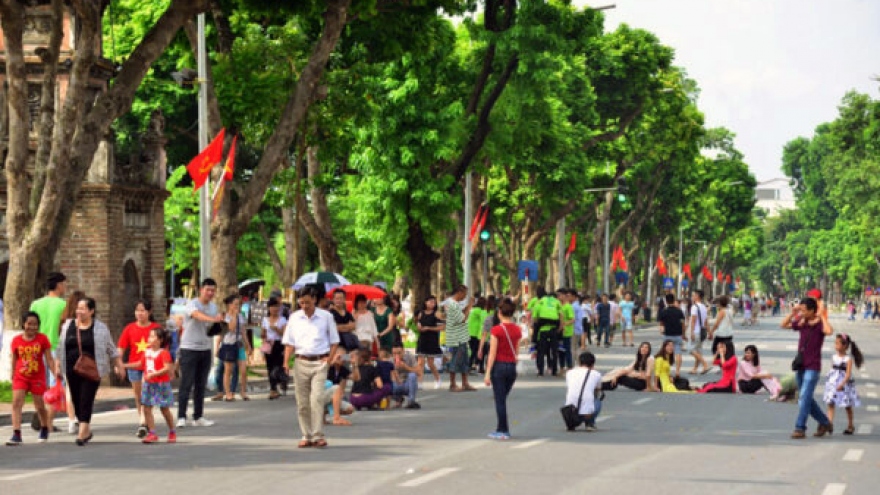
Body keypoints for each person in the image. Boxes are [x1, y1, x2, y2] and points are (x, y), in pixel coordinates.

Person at [58, 297, 125, 445]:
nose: (79, 311)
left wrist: (119, 365)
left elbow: (111, 349)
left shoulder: (100, 328)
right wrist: (57, 364)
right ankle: (86, 430)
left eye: (83, 309)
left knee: (86, 399)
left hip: (92, 369)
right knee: (76, 399)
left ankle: (82, 432)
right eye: (78, 308)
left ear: (91, 311)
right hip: (71, 369)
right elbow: (60, 347)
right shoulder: (67, 325)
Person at [282, 284, 339, 448]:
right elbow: (289, 343)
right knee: (302, 402)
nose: (305, 306)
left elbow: (334, 340)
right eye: (301, 303)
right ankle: (306, 434)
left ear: (314, 300)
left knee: (317, 398)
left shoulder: (326, 317)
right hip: (301, 362)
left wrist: (329, 358)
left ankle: (318, 435)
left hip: (320, 362)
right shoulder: (294, 318)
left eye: (307, 302)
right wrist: (286, 362)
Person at [781, 297, 834, 439]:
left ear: (812, 310)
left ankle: (800, 428)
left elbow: (829, 331)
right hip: (801, 365)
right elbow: (783, 324)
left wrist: (822, 316)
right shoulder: (802, 323)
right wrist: (793, 313)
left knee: (804, 396)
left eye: (804, 310)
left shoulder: (819, 325)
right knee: (806, 398)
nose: (802, 312)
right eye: (801, 310)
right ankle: (824, 422)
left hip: (813, 366)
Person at [177, 278, 224, 428]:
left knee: (200, 384)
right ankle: (181, 416)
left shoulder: (213, 307)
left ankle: (198, 416)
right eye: (207, 290)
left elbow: (212, 329)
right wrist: (213, 319)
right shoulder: (192, 304)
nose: (210, 293)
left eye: (213, 290)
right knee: (186, 383)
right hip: (189, 348)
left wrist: (221, 323)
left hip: (205, 348)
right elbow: (197, 316)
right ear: (201, 290)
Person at [7, 312, 56, 445]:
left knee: (39, 405)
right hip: (20, 376)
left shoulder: (42, 339)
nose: (32, 327)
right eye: (29, 324)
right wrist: (12, 373)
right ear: (23, 324)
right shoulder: (16, 340)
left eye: (35, 324)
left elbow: (49, 359)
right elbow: (14, 358)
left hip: (37, 377)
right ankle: (16, 433)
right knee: (16, 403)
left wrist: (55, 374)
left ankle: (44, 427)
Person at [29, 272, 68, 432]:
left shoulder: (36, 304)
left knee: (40, 385)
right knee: (56, 386)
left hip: (36, 349)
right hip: (55, 349)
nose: (65, 287)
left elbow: (30, 326)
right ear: (58, 285)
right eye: (64, 284)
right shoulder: (63, 305)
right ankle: (48, 423)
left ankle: (41, 418)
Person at [117, 299, 162, 438]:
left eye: (143, 310)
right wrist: (118, 364)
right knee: (138, 396)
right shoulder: (129, 328)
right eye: (137, 310)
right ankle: (144, 420)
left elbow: (163, 348)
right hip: (133, 366)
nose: (140, 313)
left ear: (149, 312)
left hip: (151, 367)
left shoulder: (156, 328)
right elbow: (121, 348)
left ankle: (143, 423)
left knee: (145, 393)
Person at [484, 299, 523, 440]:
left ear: (499, 312)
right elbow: (516, 352)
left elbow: (492, 353)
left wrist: (487, 373)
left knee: (499, 400)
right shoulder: (517, 330)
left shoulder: (496, 330)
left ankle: (503, 430)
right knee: (502, 398)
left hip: (499, 367)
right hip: (512, 367)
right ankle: (501, 428)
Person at [129, 328, 176, 444]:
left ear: (160, 340)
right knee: (146, 408)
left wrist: (154, 374)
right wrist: (124, 365)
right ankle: (152, 433)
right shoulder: (147, 352)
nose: (150, 339)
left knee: (164, 409)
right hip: (149, 384)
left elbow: (167, 368)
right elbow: (140, 364)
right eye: (149, 336)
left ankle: (172, 431)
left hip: (161, 384)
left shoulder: (164, 353)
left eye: (153, 336)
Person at [823, 334, 864, 435]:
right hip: (833, 383)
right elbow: (832, 369)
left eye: (838, 343)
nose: (835, 345)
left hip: (844, 384)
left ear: (845, 346)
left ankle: (850, 425)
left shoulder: (848, 359)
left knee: (847, 405)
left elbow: (848, 374)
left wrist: (842, 384)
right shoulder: (833, 357)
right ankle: (830, 424)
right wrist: (829, 381)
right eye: (835, 343)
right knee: (831, 403)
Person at [219, 294, 252, 401]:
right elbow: (232, 328)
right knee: (228, 370)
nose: (238, 307)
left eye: (239, 305)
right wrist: (233, 316)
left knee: (243, 370)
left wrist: (248, 345)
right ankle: (228, 393)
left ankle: (243, 391)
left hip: (238, 344)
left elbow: (243, 331)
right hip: (228, 345)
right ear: (230, 305)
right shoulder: (226, 317)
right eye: (236, 304)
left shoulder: (241, 316)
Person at [443, 285, 476, 391]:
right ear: (459, 292)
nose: (465, 297)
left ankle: (465, 383)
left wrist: (468, 306)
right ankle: (452, 384)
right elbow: (462, 318)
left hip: (462, 337)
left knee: (464, 361)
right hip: (456, 338)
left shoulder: (455, 304)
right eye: (464, 294)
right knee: (456, 361)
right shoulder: (452, 304)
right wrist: (470, 306)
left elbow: (462, 313)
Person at [563, 352, 603, 431]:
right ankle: (589, 423)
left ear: (579, 362)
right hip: (586, 413)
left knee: (572, 395)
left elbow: (569, 386)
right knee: (597, 400)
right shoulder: (596, 374)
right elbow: (598, 389)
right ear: (593, 364)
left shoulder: (569, 373)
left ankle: (571, 423)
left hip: (570, 410)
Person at [415, 295, 445, 389]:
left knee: (430, 363)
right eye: (430, 301)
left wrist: (429, 328)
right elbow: (417, 323)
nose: (432, 304)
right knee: (420, 362)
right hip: (422, 339)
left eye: (434, 302)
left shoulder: (437, 313)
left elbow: (442, 327)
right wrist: (419, 327)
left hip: (432, 339)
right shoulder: (420, 313)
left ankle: (437, 379)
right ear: (425, 302)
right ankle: (419, 382)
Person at [261, 297, 288, 400]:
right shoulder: (265, 320)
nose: (274, 309)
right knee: (270, 367)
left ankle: (282, 381)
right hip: (269, 344)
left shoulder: (282, 320)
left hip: (279, 344)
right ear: (268, 308)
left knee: (277, 367)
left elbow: (285, 335)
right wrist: (264, 336)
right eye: (272, 306)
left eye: (276, 306)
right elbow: (262, 333)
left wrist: (277, 329)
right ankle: (273, 389)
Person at [533, 289, 562, 376]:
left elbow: (535, 317)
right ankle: (554, 371)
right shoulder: (557, 302)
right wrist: (560, 328)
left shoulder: (540, 301)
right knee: (554, 351)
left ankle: (540, 371)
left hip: (543, 329)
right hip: (553, 328)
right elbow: (561, 316)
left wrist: (536, 327)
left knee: (541, 351)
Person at [657, 293, 685, 378]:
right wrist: (683, 334)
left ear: (666, 301)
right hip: (678, 334)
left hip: (667, 334)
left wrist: (662, 330)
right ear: (674, 300)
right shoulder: (679, 311)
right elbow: (683, 323)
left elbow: (661, 323)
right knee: (678, 353)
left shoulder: (664, 311)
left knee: (666, 353)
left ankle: (666, 370)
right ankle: (677, 371)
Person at [324, 351, 354, 426]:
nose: (341, 359)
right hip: (319, 395)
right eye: (339, 357)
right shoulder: (326, 364)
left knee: (349, 409)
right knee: (337, 388)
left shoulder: (342, 369)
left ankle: (321, 414)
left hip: (331, 397)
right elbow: (321, 370)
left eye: (343, 356)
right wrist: (332, 361)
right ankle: (336, 418)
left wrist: (354, 364)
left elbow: (356, 378)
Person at [687, 290, 710, 375]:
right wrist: (710, 332)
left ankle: (705, 364)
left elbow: (693, 320)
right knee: (698, 351)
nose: (692, 297)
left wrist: (692, 332)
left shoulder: (694, 307)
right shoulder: (704, 307)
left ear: (697, 296)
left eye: (693, 295)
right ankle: (695, 369)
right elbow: (706, 321)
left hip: (696, 332)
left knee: (690, 349)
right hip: (702, 332)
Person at [391, 345, 421, 409]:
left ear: (403, 351)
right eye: (394, 353)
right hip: (397, 383)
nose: (397, 355)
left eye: (399, 353)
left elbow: (419, 372)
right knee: (385, 383)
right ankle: (398, 399)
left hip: (408, 384)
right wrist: (394, 370)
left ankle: (411, 401)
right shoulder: (390, 360)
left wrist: (406, 367)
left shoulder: (410, 356)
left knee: (412, 375)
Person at [468, 297, 488, 373]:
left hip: (471, 333)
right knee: (477, 350)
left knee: (476, 350)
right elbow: (485, 318)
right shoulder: (479, 311)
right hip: (475, 333)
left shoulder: (474, 309)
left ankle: (478, 367)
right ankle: (472, 366)